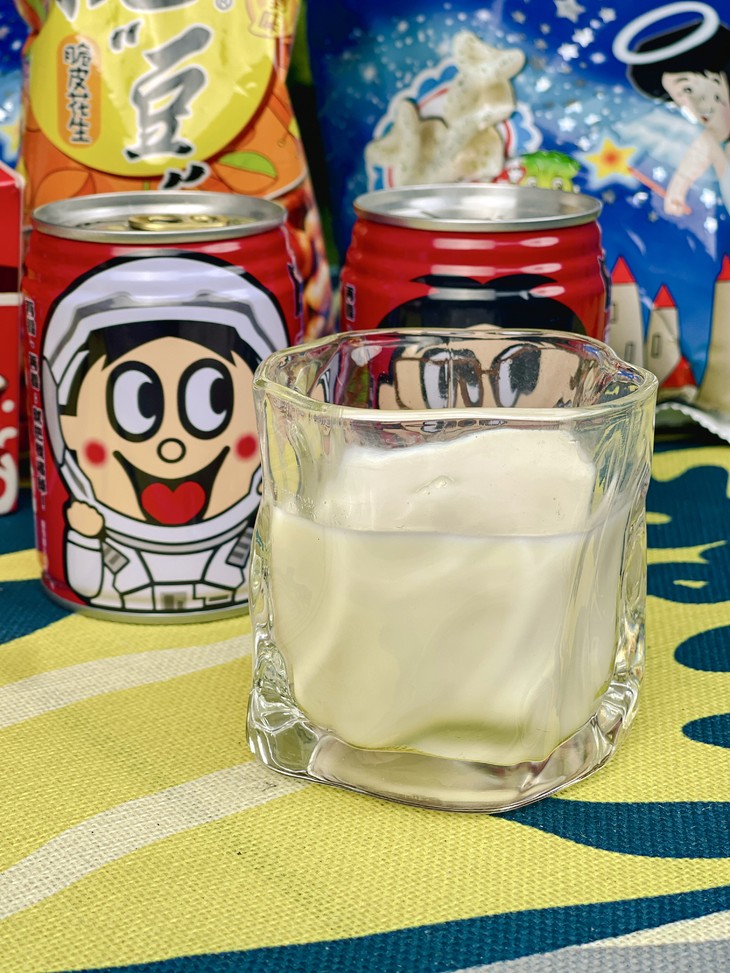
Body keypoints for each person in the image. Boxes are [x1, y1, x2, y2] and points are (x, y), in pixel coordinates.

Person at [41, 253, 289, 615]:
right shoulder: (108, 548)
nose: (172, 448)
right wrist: (84, 537)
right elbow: (86, 584)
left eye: (213, 402)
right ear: (66, 423)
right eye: (137, 408)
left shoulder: (246, 539)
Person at [623, 13, 730, 215]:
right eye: (678, 99)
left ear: (717, 78)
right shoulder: (712, 141)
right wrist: (676, 193)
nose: (689, 106)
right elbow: (696, 158)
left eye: (688, 89)